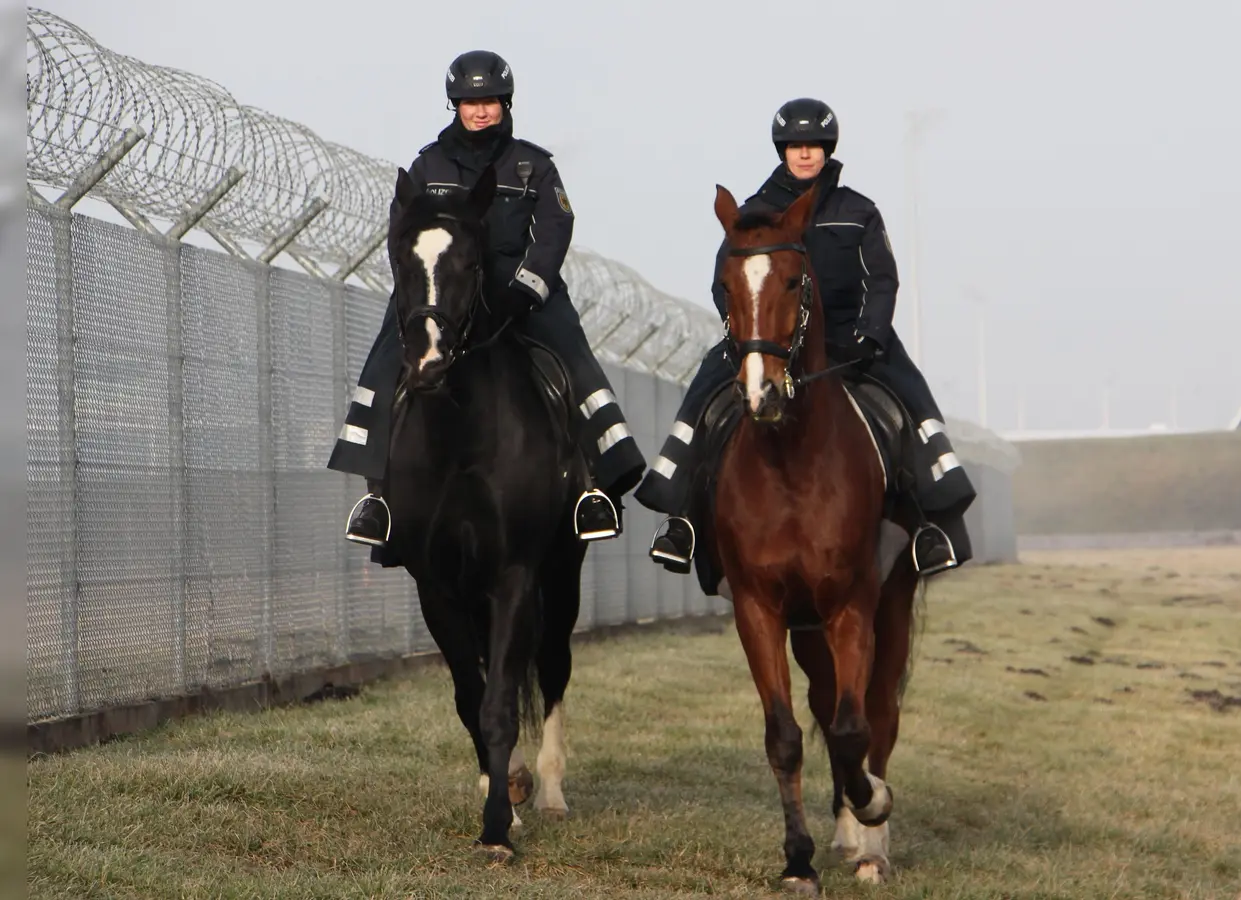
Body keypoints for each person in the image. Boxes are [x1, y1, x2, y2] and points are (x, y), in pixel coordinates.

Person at [632, 97, 976, 578]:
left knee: (912, 401)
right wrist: (745, 332)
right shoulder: (754, 213)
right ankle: (680, 520)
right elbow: (724, 281)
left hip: (847, 336)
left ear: (827, 149)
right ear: (783, 150)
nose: (805, 154)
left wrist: (870, 335)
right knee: (703, 400)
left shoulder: (858, 210)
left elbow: (882, 280)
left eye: (814, 145)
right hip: (768, 339)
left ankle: (934, 525)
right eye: (795, 145)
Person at [328, 50, 646, 554]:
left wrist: (529, 286)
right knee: (388, 362)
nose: (480, 111)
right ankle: (379, 498)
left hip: (516, 288)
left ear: (505, 103)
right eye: (469, 102)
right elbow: (401, 233)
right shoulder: (426, 164)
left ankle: (595, 485)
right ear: (454, 105)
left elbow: (555, 229)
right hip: (441, 290)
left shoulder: (533, 164)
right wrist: (417, 291)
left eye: (490, 101)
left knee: (573, 358)